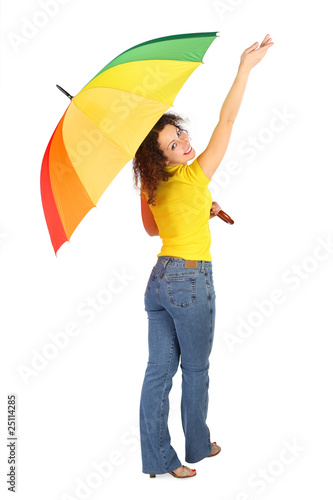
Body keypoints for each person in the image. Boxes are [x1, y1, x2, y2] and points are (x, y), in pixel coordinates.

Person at [133, 34, 274, 479]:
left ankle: (161, 460)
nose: (186, 144)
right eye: (174, 145)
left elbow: (153, 228)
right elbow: (227, 122)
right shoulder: (194, 176)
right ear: (162, 157)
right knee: (195, 369)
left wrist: (201, 208)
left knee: (159, 372)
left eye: (181, 134)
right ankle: (196, 446)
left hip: (158, 281)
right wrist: (244, 69)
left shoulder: (152, 185)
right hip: (189, 281)